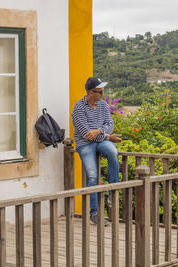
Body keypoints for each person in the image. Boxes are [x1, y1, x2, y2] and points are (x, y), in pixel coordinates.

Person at [72, 77, 122, 226]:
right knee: (92, 174)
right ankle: (94, 212)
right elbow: (86, 133)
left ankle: (113, 193)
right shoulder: (78, 108)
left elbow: (110, 123)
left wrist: (99, 131)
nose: (101, 94)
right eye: (99, 92)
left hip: (102, 139)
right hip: (85, 144)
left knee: (113, 153)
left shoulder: (103, 105)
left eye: (102, 91)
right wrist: (106, 135)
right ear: (90, 92)